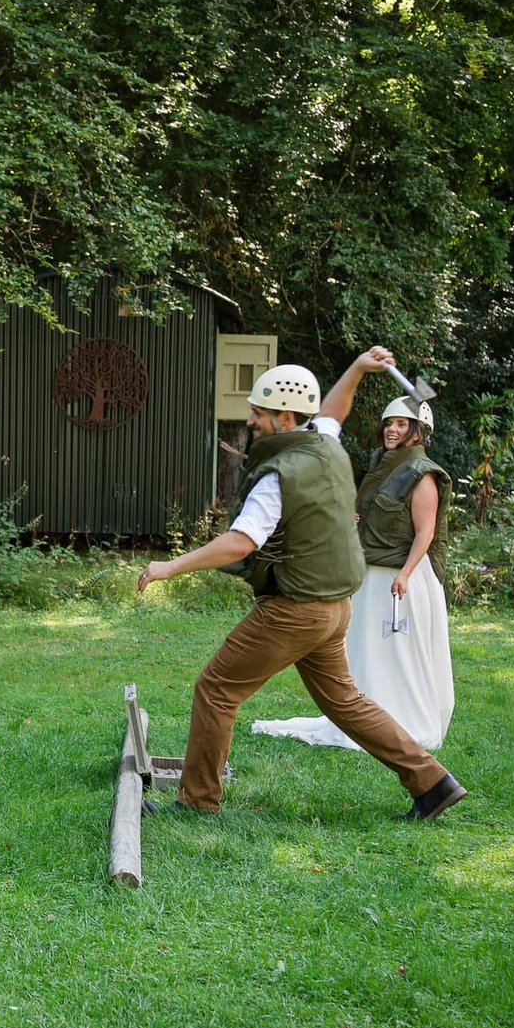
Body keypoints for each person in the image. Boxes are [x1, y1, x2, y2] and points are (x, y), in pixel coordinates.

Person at [135, 349, 467, 820]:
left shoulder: (279, 475)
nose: (250, 420)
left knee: (216, 688)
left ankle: (197, 801)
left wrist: (171, 567)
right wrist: (356, 368)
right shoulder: (324, 443)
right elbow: (334, 411)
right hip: (334, 608)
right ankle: (433, 782)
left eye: (258, 412)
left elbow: (240, 543)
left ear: (285, 416)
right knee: (345, 702)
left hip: (294, 611)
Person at [253, 356, 454, 750]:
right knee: (364, 652)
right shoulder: (384, 467)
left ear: (419, 430)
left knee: (396, 654)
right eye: (389, 423)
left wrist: (405, 575)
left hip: (403, 579)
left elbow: (425, 532)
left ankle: (400, 722)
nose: (392, 430)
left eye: (401, 424)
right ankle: (367, 717)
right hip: (373, 573)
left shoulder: (422, 472)